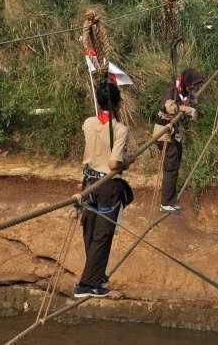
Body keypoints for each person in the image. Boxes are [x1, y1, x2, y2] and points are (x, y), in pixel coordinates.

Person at [75, 80, 135, 298]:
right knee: (102, 236)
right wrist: (128, 159)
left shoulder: (88, 122)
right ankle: (87, 284)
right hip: (107, 186)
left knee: (90, 232)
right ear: (118, 103)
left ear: (99, 102)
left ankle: (96, 277)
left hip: (89, 183)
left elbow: (98, 131)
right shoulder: (120, 130)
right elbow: (113, 163)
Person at [153, 68, 203, 213]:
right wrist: (188, 110)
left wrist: (192, 101)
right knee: (170, 166)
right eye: (192, 85)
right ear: (186, 82)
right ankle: (165, 203)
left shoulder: (184, 92)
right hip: (164, 133)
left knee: (175, 164)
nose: (193, 88)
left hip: (175, 133)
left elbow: (191, 100)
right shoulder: (172, 90)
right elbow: (170, 108)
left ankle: (171, 200)